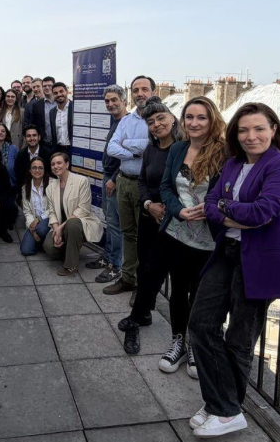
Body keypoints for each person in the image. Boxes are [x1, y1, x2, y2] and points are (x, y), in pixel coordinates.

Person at [188, 102, 280, 438]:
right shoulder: (232, 164)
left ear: (273, 130)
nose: (250, 136)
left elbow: (262, 213)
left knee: (239, 339)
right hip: (227, 253)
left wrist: (224, 208)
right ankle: (222, 402)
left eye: (258, 129)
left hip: (259, 261)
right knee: (201, 324)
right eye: (243, 130)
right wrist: (227, 211)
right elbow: (210, 204)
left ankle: (226, 410)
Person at [157, 96, 226, 378]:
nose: (194, 123)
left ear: (212, 120)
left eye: (201, 117)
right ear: (182, 121)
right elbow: (165, 188)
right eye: (189, 117)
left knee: (200, 295)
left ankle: (196, 345)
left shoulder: (224, 153)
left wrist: (211, 209)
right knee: (178, 292)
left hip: (208, 239)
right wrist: (179, 211)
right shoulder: (178, 149)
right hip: (177, 233)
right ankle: (178, 341)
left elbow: (229, 193)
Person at [118, 97, 182, 355]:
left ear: (172, 119)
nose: (156, 124)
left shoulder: (182, 150)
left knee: (155, 270)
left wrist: (164, 208)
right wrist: (147, 204)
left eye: (160, 118)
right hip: (148, 216)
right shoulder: (151, 150)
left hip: (171, 221)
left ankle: (136, 318)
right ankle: (143, 314)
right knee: (145, 267)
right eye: (151, 121)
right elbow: (142, 181)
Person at [103, 75, 155, 300]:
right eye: (135, 90)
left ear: (153, 92)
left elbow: (153, 146)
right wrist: (136, 152)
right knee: (128, 234)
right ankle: (127, 278)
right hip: (124, 181)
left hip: (145, 186)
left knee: (145, 238)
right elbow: (111, 148)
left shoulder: (159, 118)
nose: (140, 93)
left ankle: (142, 288)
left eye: (144, 89)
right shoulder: (126, 120)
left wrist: (127, 144)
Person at [86, 85, 128, 283]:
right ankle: (108, 257)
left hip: (115, 179)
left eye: (114, 100)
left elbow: (130, 157)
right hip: (108, 176)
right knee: (110, 220)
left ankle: (116, 266)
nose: (110, 104)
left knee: (115, 224)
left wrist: (114, 179)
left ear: (124, 100)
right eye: (107, 101)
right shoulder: (116, 122)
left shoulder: (127, 124)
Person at [43, 153, 103, 275]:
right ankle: (71, 247)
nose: (56, 166)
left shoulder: (81, 181)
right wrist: (56, 229)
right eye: (53, 164)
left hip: (79, 223)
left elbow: (83, 209)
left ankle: (70, 265)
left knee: (72, 223)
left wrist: (61, 227)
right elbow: (52, 212)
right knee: (49, 248)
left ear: (67, 164)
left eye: (59, 163)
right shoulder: (50, 187)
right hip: (62, 226)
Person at [20, 157, 51, 255]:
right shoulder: (25, 188)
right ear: (30, 170)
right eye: (34, 168)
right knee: (25, 250)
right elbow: (27, 211)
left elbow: (54, 207)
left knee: (41, 229)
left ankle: (45, 240)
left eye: (40, 168)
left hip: (49, 219)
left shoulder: (52, 184)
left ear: (44, 170)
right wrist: (32, 230)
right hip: (34, 223)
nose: (37, 170)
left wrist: (39, 219)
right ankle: (42, 242)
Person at [14, 125, 52, 191]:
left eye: (34, 135)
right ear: (25, 139)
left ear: (39, 137)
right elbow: (19, 177)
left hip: (46, 188)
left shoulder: (48, 153)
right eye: (28, 136)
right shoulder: (20, 155)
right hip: (26, 189)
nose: (32, 138)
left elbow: (50, 174)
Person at [27, 76, 56, 148]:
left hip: (61, 144)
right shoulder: (37, 105)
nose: (47, 88)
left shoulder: (61, 102)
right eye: (44, 86)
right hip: (44, 143)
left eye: (50, 85)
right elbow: (33, 124)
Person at [49, 82, 72, 155]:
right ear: (53, 95)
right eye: (55, 93)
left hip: (73, 149)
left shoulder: (75, 107)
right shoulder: (52, 112)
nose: (59, 94)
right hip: (58, 150)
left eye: (61, 91)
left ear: (67, 92)